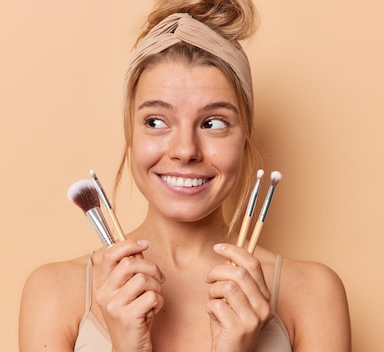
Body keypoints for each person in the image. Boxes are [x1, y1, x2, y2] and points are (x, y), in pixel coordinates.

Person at [19, 0, 351, 351]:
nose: (185, 150)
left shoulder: (313, 294)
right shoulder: (53, 294)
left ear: (245, 136)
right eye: (156, 122)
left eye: (213, 123)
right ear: (130, 133)